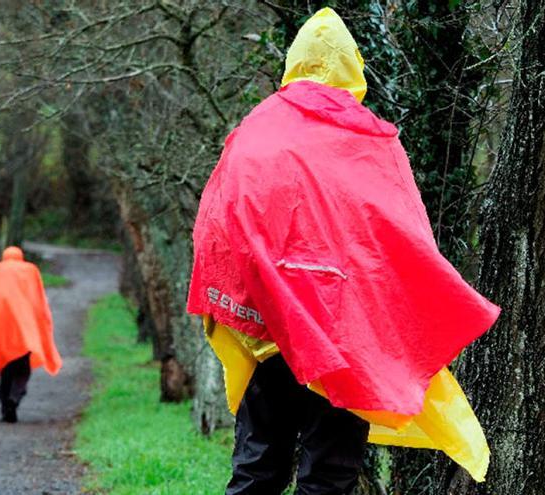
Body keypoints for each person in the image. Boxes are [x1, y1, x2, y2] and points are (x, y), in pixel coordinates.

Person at [186, 8, 500, 494]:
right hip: (343, 337)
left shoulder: (255, 131)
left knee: (258, 465)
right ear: (352, 66)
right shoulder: (371, 141)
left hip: (266, 334)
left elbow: (216, 229)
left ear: (294, 62)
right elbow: (404, 240)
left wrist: (238, 309)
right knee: (330, 472)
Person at [0, 246, 61, 423]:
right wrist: (40, 322)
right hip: (25, 326)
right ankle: (15, 397)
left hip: (1, 326)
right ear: (21, 257)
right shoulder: (31, 271)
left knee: (6, 366)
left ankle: (5, 399)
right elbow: (38, 299)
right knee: (22, 366)